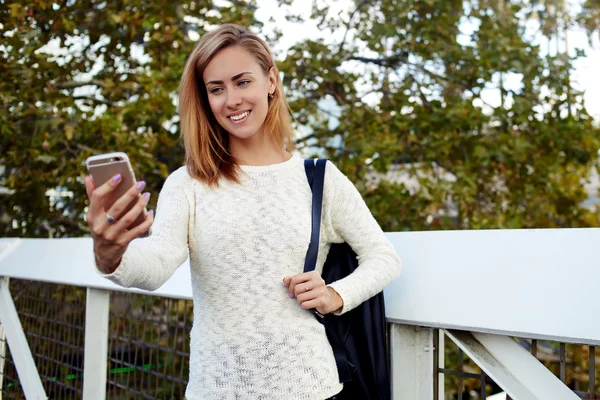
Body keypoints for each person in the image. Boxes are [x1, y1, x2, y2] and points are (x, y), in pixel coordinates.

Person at [84, 23, 402, 400]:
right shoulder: (188, 183)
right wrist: (110, 254)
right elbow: (155, 266)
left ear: (270, 80)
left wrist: (336, 294)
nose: (231, 99)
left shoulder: (318, 178)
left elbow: (383, 257)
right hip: (215, 390)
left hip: (311, 388)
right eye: (216, 89)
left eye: (242, 81)